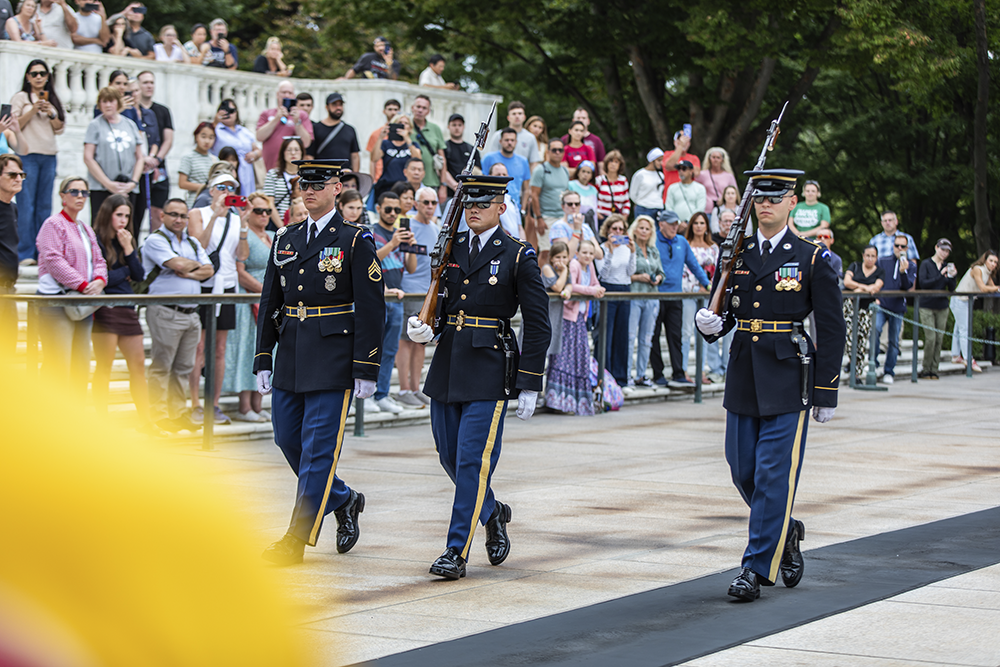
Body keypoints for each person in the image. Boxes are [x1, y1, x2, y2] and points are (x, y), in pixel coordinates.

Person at [695, 168, 846, 603]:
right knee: (742, 468)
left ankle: (755, 568)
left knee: (771, 474)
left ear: (791, 203)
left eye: (775, 197)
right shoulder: (736, 256)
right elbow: (722, 313)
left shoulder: (811, 258)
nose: (766, 204)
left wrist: (826, 391)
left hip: (788, 375)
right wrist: (709, 325)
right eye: (760, 197)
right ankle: (785, 528)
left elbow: (831, 330)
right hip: (744, 370)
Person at [406, 174, 550, 580]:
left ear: (501, 208)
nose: (473, 211)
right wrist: (427, 327)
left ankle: (456, 550)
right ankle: (492, 511)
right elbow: (443, 303)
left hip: (489, 369)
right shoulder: (450, 249)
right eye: (469, 205)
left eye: (482, 205)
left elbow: (538, 325)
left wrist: (528, 381)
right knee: (448, 455)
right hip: (449, 363)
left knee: (471, 461)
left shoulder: (518, 255)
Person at [253, 159, 385, 565]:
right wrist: (263, 356)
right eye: (302, 185)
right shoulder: (286, 238)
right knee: (287, 439)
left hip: (333, 355)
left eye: (317, 185)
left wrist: (367, 366)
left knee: (317, 452)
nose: (307, 191)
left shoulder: (354, 239)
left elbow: (371, 307)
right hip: (292, 351)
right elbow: (271, 301)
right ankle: (344, 499)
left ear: (336, 188)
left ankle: (296, 538)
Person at [142, 198, 214, 432]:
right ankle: (159, 413)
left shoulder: (193, 242)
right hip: (166, 310)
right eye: (173, 214)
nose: (179, 219)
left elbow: (209, 269)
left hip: (191, 312)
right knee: (162, 366)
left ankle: (177, 412)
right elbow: (178, 265)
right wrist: (190, 268)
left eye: (183, 216)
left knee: (183, 367)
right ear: (162, 216)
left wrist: (187, 270)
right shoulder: (155, 239)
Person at [89, 194, 159, 434]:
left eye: (127, 216)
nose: (123, 220)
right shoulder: (95, 239)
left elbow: (139, 275)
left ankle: (146, 420)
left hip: (127, 308)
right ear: (108, 214)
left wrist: (129, 250)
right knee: (104, 366)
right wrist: (124, 271)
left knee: (138, 366)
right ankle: (101, 420)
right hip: (106, 309)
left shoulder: (126, 239)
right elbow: (102, 279)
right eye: (119, 214)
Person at [187, 173, 249, 426]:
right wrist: (215, 216)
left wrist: (243, 225)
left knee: (220, 349)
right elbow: (197, 246)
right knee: (199, 347)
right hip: (204, 284)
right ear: (211, 190)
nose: (226, 192)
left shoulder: (235, 219)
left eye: (231, 188)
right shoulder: (197, 214)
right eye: (221, 187)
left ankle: (214, 402)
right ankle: (194, 403)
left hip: (227, 283)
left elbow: (241, 256)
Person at [35, 176, 107, 391]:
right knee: (59, 364)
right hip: (56, 302)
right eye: (74, 191)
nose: (80, 196)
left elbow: (99, 260)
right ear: (62, 195)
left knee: (80, 364)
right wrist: (84, 285)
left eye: (84, 192)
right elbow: (53, 259)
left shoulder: (86, 228)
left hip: (81, 303)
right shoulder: (53, 223)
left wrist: (100, 281)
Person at [222, 191, 274, 422]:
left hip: (270, 300)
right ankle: (245, 406)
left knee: (268, 350)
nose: (264, 215)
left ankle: (258, 402)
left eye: (268, 211)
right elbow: (240, 271)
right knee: (248, 350)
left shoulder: (272, 235)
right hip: (250, 299)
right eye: (259, 210)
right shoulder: (243, 234)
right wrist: (265, 293)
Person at [12, 59, 64, 265]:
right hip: (27, 155)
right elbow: (14, 124)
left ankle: (42, 253)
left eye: (42, 73)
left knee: (44, 206)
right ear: (27, 77)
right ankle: (24, 254)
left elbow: (59, 128)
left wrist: (51, 112)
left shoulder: (52, 99)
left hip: (49, 155)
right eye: (34, 74)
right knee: (26, 205)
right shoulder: (20, 97)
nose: (39, 77)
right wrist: (33, 110)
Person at [368, 191, 417, 414]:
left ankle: (383, 393)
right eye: (388, 209)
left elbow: (411, 268)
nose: (392, 213)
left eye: (396, 210)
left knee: (389, 350)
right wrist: (393, 243)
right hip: (376, 297)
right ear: (378, 209)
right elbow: (369, 260)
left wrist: (410, 247)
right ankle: (366, 395)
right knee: (372, 349)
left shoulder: (400, 233)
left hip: (397, 297)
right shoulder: (371, 232)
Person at [649, 210, 710, 388]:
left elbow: (694, 265)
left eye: (677, 224)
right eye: (671, 224)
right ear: (661, 224)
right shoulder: (654, 240)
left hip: (676, 295)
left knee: (675, 335)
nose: (675, 227)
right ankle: (658, 374)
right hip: (656, 294)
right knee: (653, 336)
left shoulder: (682, 241)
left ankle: (678, 373)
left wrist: (707, 284)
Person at [544, 237, 603, 416]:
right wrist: (592, 291)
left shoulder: (590, 266)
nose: (588, 256)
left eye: (591, 253)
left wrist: (598, 288)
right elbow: (573, 286)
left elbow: (594, 282)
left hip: (580, 317)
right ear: (576, 254)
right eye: (584, 252)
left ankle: (575, 401)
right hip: (568, 316)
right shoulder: (573, 266)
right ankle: (557, 401)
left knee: (579, 357)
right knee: (564, 358)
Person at [395, 186, 440, 408]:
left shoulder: (436, 227)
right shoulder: (408, 226)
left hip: (428, 292)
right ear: (417, 204)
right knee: (405, 340)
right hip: (410, 288)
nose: (430, 207)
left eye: (433, 203)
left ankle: (415, 387)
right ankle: (403, 388)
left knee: (421, 342)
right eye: (426, 203)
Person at [83, 86, 144, 220]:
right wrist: (108, 183)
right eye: (104, 101)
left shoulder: (130, 124)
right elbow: (88, 157)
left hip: (127, 187)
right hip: (102, 187)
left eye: (111, 101)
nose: (108, 105)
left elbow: (140, 157)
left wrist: (133, 182)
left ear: (118, 102)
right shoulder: (95, 125)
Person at [680, 211, 723, 382]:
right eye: (696, 223)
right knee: (686, 331)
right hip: (689, 292)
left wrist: (710, 288)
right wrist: (695, 286)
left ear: (707, 226)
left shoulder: (713, 247)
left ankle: (701, 371)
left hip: (708, 294)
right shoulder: (686, 244)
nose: (699, 226)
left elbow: (719, 271)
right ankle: (683, 370)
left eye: (702, 223)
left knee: (704, 332)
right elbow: (684, 270)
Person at [596, 214, 635, 386]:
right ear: (608, 230)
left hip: (624, 289)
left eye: (621, 229)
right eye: (614, 229)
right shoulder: (601, 248)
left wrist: (633, 252)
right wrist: (610, 253)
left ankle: (621, 378)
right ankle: (604, 375)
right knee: (606, 334)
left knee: (622, 334)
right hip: (608, 288)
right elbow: (602, 274)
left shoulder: (627, 248)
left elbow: (631, 272)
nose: (618, 232)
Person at [873, 234, 916, 384]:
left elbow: (908, 287)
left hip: (898, 307)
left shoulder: (911, 265)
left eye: (902, 246)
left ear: (907, 248)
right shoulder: (883, 261)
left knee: (894, 341)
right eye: (897, 246)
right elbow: (875, 279)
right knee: (875, 330)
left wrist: (903, 272)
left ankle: (889, 371)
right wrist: (876, 297)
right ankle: (874, 363)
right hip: (882, 304)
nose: (899, 249)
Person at [627, 215, 664, 386]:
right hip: (635, 295)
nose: (644, 231)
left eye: (647, 228)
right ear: (635, 229)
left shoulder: (653, 250)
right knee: (630, 336)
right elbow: (625, 274)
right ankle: (627, 375)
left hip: (652, 297)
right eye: (641, 227)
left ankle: (641, 374)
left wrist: (657, 277)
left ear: (651, 232)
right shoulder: (629, 248)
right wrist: (638, 277)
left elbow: (662, 272)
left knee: (646, 338)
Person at [136, 70, 174, 232]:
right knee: (136, 211)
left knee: (158, 212)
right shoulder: (132, 110)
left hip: (158, 168)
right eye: (145, 82)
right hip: (139, 167)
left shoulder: (162, 111)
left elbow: (168, 139)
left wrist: (156, 160)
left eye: (151, 82)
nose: (149, 86)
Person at [950, 250, 999, 371]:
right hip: (960, 300)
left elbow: (992, 288)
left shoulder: (988, 273)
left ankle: (956, 355)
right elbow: (983, 288)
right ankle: (968, 358)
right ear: (985, 260)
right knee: (964, 329)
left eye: (995, 262)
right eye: (991, 261)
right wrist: (997, 288)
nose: (993, 264)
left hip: (966, 301)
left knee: (958, 328)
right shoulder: (978, 269)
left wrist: (996, 288)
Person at [917, 239, 957, 379]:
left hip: (942, 306)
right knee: (931, 338)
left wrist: (952, 276)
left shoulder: (947, 266)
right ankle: (925, 368)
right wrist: (941, 275)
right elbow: (923, 283)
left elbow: (952, 288)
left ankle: (934, 369)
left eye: (947, 251)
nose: (944, 253)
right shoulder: (926, 264)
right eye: (942, 249)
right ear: (936, 247)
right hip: (927, 304)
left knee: (939, 338)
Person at [843, 245, 885, 374]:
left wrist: (859, 289)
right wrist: (865, 287)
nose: (870, 259)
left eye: (873, 256)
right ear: (863, 256)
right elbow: (847, 282)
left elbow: (876, 287)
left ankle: (856, 372)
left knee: (861, 340)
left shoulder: (879, 271)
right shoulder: (855, 266)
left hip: (866, 309)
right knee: (848, 337)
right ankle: (852, 362)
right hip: (851, 307)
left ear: (876, 258)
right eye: (868, 255)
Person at [257, 80, 313, 172]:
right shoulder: (267, 113)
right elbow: (259, 137)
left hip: (294, 170)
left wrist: (297, 122)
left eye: (290, 93)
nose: (286, 95)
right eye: (283, 92)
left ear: (294, 96)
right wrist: (276, 118)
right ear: (277, 94)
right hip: (270, 168)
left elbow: (306, 143)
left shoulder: (302, 115)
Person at [526, 138, 569, 258]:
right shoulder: (541, 170)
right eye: (554, 150)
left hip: (562, 217)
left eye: (560, 150)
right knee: (546, 252)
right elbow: (534, 195)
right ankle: (539, 277)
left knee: (562, 251)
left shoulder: (565, 170)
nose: (557, 153)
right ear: (548, 152)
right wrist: (539, 218)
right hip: (546, 217)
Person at [0, 155, 25, 353]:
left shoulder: (13, 208)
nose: (18, 179)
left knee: (8, 351)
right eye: (12, 175)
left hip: (9, 290)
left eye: (21, 174)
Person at [212, 98, 261, 197]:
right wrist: (216, 120)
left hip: (246, 171)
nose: (229, 114)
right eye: (225, 110)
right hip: (227, 170)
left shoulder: (244, 131)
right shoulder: (216, 129)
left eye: (232, 111)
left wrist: (254, 154)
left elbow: (258, 149)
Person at [481, 128, 531, 216]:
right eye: (506, 140)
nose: (509, 143)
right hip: (492, 207)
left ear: (516, 142)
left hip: (514, 208)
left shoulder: (523, 161)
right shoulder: (488, 158)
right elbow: (482, 183)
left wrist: (523, 209)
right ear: (500, 141)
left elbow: (526, 189)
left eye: (512, 140)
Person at [371, 114, 420, 201]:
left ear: (410, 127)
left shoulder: (413, 145)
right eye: (400, 122)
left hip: (405, 188)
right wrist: (380, 138)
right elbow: (374, 158)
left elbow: (418, 159)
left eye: (406, 123)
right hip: (387, 186)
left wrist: (407, 139)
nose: (403, 125)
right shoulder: (386, 144)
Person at [483, 100, 541, 171]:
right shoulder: (498, 135)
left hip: (521, 178)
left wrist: (530, 180)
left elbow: (533, 163)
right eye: (514, 114)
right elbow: (491, 159)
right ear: (508, 117)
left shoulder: (530, 138)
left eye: (520, 113)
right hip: (501, 177)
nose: (517, 116)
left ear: (524, 117)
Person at [309, 92, 360, 171]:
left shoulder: (350, 129)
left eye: (340, 104)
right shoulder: (316, 128)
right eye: (334, 104)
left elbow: (355, 156)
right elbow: (309, 156)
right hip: (323, 176)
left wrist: (355, 176)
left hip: (345, 176)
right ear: (327, 107)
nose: (338, 107)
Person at [548, 190, 604, 262]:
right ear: (563, 206)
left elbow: (599, 255)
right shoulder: (558, 226)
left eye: (577, 204)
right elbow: (566, 257)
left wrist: (584, 242)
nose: (574, 206)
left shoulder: (585, 227)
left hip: (585, 271)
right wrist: (576, 231)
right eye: (570, 204)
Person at [538, 240, 569, 364]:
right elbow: (558, 287)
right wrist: (565, 270)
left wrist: (568, 289)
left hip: (556, 311)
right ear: (551, 258)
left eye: (564, 257)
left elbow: (569, 284)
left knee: (553, 342)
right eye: (558, 257)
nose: (561, 260)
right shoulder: (547, 268)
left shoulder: (564, 270)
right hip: (545, 310)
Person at [263, 136, 304, 228]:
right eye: (289, 150)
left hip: (303, 222)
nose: (293, 153)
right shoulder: (273, 174)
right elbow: (270, 203)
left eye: (297, 150)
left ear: (302, 153)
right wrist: (282, 226)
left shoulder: (306, 175)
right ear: (283, 153)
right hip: (278, 223)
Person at [440, 113, 481, 203]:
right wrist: (455, 186)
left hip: (468, 195)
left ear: (464, 127)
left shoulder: (472, 149)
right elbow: (442, 168)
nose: (457, 128)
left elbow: (477, 171)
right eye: (454, 125)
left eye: (459, 125)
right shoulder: (443, 147)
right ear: (448, 127)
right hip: (449, 194)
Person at [409, 95, 446, 191]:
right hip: (408, 182)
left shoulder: (435, 128)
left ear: (429, 111)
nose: (420, 110)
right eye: (418, 107)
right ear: (412, 108)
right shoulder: (406, 126)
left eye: (424, 108)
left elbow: (442, 159)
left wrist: (443, 185)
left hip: (431, 182)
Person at [178, 122, 218, 208]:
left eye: (211, 138)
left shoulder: (215, 159)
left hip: (211, 203)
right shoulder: (188, 157)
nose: (207, 141)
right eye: (203, 137)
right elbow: (182, 183)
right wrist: (204, 187)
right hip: (194, 201)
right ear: (196, 137)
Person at [365, 99, 400, 184]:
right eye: (390, 109)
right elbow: (372, 159)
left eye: (395, 110)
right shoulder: (377, 134)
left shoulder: (405, 134)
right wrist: (373, 179)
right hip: (381, 177)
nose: (393, 112)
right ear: (384, 111)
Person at [695, 146, 738, 215]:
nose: (716, 160)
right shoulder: (702, 175)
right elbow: (696, 191)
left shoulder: (729, 176)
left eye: (718, 157)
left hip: (723, 210)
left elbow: (735, 192)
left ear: (722, 160)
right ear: (709, 159)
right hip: (707, 210)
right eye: (713, 157)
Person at [661, 130, 700, 199]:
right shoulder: (667, 154)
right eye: (680, 140)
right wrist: (680, 146)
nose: (683, 142)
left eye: (685, 140)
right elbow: (669, 165)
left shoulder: (694, 158)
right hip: (670, 197)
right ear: (674, 142)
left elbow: (696, 173)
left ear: (689, 143)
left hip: (689, 197)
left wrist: (677, 166)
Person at [665, 160, 707, 224]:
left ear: (691, 171)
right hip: (674, 224)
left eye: (684, 169)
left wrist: (687, 221)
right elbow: (669, 207)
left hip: (693, 224)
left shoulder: (700, 188)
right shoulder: (672, 187)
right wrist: (677, 222)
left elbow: (700, 208)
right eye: (679, 169)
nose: (681, 171)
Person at [630, 148, 666, 220]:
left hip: (658, 208)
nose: (661, 163)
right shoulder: (640, 174)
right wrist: (641, 202)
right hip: (643, 209)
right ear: (652, 161)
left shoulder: (661, 175)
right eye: (659, 160)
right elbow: (632, 194)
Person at [595, 150, 629, 223]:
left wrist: (625, 216)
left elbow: (626, 201)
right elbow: (593, 198)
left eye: (616, 162)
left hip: (617, 217)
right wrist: (597, 214)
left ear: (620, 165)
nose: (613, 164)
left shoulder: (623, 180)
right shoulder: (599, 180)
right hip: (602, 216)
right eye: (610, 161)